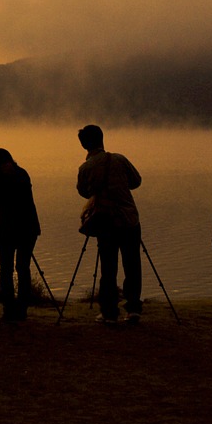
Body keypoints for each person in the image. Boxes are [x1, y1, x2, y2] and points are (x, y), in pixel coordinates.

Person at [76, 124, 143, 325]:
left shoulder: (86, 167)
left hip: (105, 220)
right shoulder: (119, 159)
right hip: (129, 218)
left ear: (84, 145)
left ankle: (109, 311)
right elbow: (136, 181)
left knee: (108, 266)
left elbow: (84, 192)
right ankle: (133, 310)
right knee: (132, 264)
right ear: (102, 139)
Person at [0, 148, 41, 321]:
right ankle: (21, 309)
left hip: (7, 229)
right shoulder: (22, 174)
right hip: (28, 229)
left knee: (6, 270)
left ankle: (9, 310)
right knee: (23, 268)